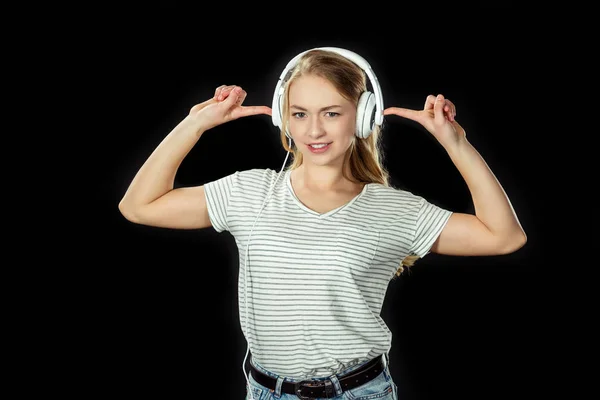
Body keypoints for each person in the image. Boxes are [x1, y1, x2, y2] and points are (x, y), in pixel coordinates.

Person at [118, 47, 527, 400]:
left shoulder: (394, 210)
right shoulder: (248, 193)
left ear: (363, 117)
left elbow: (503, 236)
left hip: (358, 392)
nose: (314, 130)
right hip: (265, 392)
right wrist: (195, 124)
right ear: (284, 118)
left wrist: (456, 143)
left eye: (332, 113)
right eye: (299, 113)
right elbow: (139, 206)